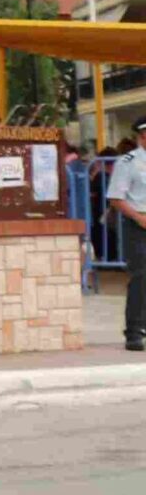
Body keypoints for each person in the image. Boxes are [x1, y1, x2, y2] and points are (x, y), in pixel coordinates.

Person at [108, 117, 146, 352]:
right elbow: (115, 197)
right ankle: (134, 331)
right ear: (142, 136)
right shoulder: (128, 162)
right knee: (141, 277)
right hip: (138, 223)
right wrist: (139, 218)